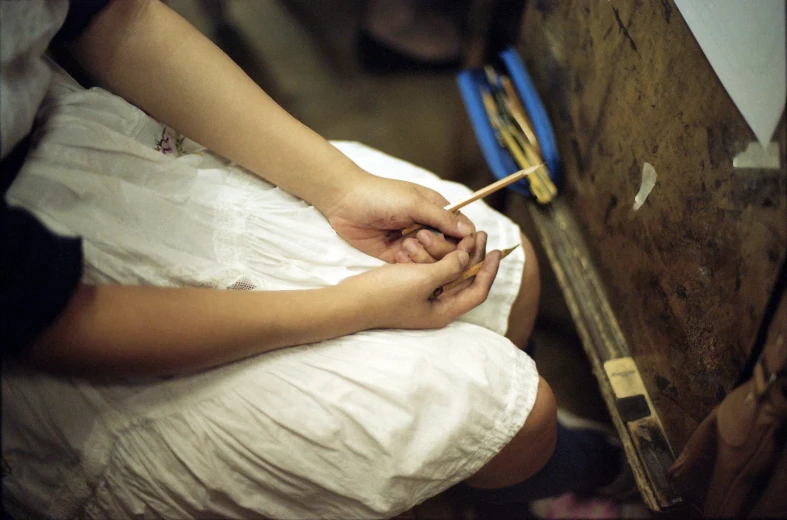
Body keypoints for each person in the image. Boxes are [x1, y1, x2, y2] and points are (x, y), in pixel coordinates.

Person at [1, 1, 629, 518]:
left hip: (93, 155)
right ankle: (562, 474)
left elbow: (116, 17)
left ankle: (501, 484)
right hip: (63, 329)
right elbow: (56, 319)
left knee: (505, 281)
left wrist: (341, 188)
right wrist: (355, 308)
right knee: (515, 417)